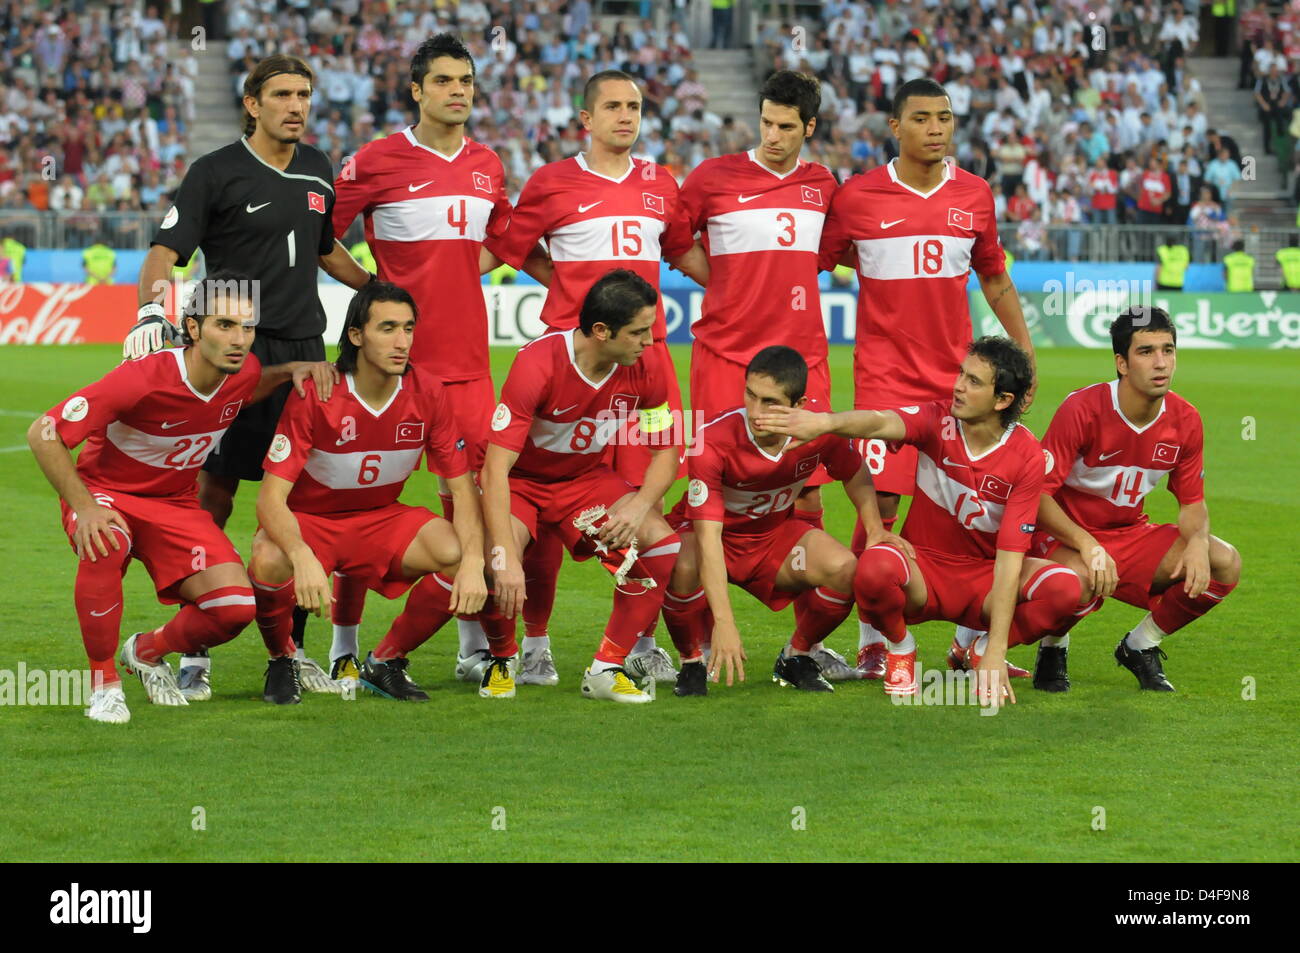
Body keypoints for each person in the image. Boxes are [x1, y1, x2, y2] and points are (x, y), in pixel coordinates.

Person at [121, 54, 375, 699]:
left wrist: (378, 291)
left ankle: (286, 654)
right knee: (214, 493)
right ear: (252, 105)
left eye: (305, 94)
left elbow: (323, 249)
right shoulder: (215, 172)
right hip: (234, 350)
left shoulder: (319, 167)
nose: (297, 105)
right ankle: (195, 645)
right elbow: (164, 252)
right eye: (283, 95)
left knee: (299, 503)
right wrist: (154, 307)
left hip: (306, 350)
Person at [329, 34, 547, 689]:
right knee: (360, 502)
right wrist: (373, 292)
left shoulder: (487, 164)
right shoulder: (374, 160)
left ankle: (473, 645)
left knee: (474, 511)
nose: (459, 91)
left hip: (469, 371)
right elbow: (320, 237)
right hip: (390, 370)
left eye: (467, 82)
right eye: (445, 81)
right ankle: (344, 644)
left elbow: (501, 243)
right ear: (417, 90)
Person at [25, 272, 337, 723]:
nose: (239, 339)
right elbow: (44, 433)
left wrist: (290, 370)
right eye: (224, 325)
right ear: (193, 329)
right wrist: (85, 507)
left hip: (174, 504)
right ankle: (103, 684)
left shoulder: (243, 371)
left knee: (233, 608)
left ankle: (147, 651)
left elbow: (247, 388)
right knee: (105, 541)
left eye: (247, 328)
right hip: (107, 494)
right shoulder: (142, 377)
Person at [483, 69, 707, 687]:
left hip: (646, 362)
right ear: (586, 118)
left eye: (634, 106)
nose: (626, 116)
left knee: (646, 499)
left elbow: (684, 251)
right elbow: (514, 248)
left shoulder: (662, 183)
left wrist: (747, 287)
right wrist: (562, 287)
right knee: (551, 497)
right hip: (572, 362)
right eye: (612, 106)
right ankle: (533, 644)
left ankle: (639, 642)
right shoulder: (552, 181)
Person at [816, 77, 1035, 678]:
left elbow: (994, 279)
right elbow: (815, 263)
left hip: (960, 382)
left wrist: (1024, 351)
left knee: (975, 503)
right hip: (886, 379)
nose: (936, 128)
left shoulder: (974, 194)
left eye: (944, 117)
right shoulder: (858, 197)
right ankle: (873, 639)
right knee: (880, 506)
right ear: (895, 127)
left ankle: (969, 641)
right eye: (922, 118)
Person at [754, 337, 1078, 707]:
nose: (958, 385)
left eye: (974, 381)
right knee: (872, 566)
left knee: (1066, 589)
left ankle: (978, 649)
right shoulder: (936, 419)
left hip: (983, 578)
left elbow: (1009, 559)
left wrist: (996, 648)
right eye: (961, 374)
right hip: (923, 571)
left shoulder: (1027, 456)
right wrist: (826, 422)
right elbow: (880, 422)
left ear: (1002, 400)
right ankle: (900, 648)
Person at [248, 282, 516, 703]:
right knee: (268, 558)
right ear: (356, 335)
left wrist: (473, 561)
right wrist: (302, 557)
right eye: (388, 328)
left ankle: (387, 660)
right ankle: (281, 660)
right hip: (314, 522)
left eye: (408, 329)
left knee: (461, 553)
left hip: (382, 518)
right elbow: (270, 499)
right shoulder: (319, 393)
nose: (402, 341)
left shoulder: (428, 392)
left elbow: (463, 491)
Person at [672, 69, 853, 675]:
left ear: (809, 127)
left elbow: (827, 252)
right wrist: (721, 281)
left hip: (803, 359)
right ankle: (694, 646)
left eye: (785, 126)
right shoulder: (713, 177)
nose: (772, 135)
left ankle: (804, 647)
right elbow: (675, 241)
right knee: (710, 487)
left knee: (807, 483)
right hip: (725, 358)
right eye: (766, 123)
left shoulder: (822, 184)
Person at [479, 270, 683, 704]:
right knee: (493, 563)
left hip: (584, 482)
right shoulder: (536, 363)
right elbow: (495, 469)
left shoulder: (649, 367)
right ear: (600, 331)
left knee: (664, 547)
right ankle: (503, 656)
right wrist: (503, 554)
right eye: (639, 332)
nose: (650, 342)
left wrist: (638, 506)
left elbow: (668, 451)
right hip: (522, 482)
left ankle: (606, 668)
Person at [663, 346, 904, 695]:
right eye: (751, 395)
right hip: (713, 538)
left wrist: (874, 529)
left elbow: (855, 472)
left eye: (770, 402)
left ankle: (796, 656)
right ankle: (690, 663)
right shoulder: (713, 442)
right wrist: (725, 623)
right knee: (682, 565)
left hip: (770, 537)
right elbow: (708, 536)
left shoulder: (818, 429)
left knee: (847, 569)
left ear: (799, 405)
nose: (756, 412)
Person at [1030, 307, 1241, 692]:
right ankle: (1053, 646)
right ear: (1121, 363)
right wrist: (1087, 544)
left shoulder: (1186, 419)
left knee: (1224, 562)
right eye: (1146, 352)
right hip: (1065, 536)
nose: (1161, 363)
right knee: (1075, 582)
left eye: (1168, 350)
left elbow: (1192, 502)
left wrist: (1196, 541)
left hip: (1128, 534)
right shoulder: (1083, 408)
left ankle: (1140, 645)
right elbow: (1037, 496)